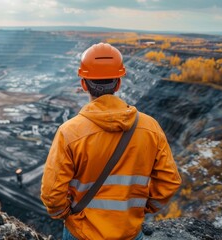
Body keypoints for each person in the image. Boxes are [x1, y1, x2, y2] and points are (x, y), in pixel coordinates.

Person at [40, 43, 181, 240]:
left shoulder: (70, 132)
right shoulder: (150, 128)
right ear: (118, 84)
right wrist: (143, 209)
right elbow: (169, 181)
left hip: (82, 233)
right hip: (129, 233)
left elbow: (52, 193)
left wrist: (66, 214)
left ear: (83, 84)